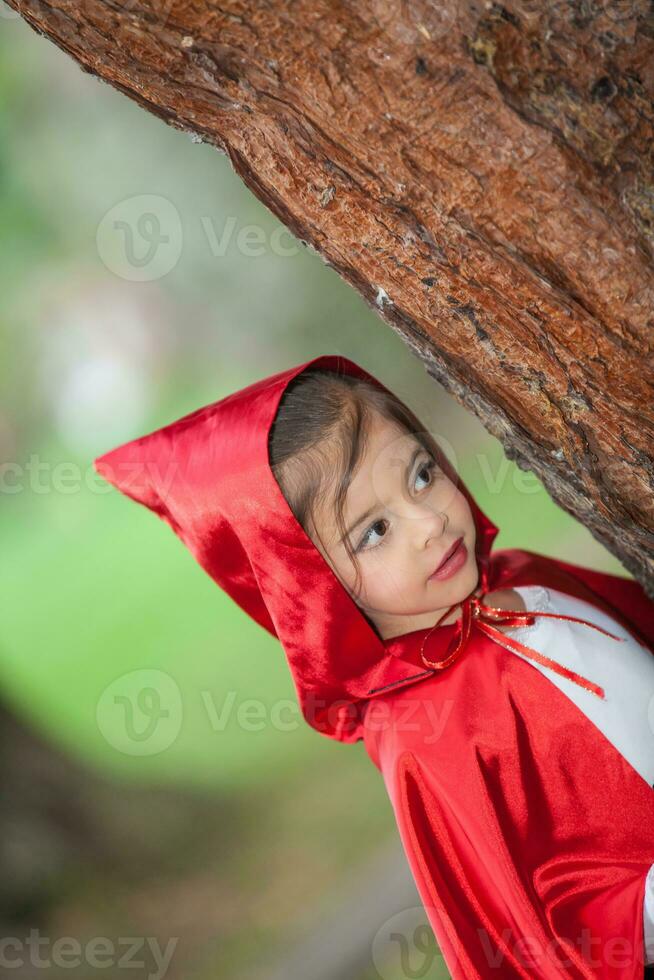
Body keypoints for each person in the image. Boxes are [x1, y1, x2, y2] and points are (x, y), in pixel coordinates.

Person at [93, 354, 654, 979]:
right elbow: (542, 938)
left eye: (421, 474)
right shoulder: (429, 738)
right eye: (375, 531)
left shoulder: (523, 577)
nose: (430, 520)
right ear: (312, 585)